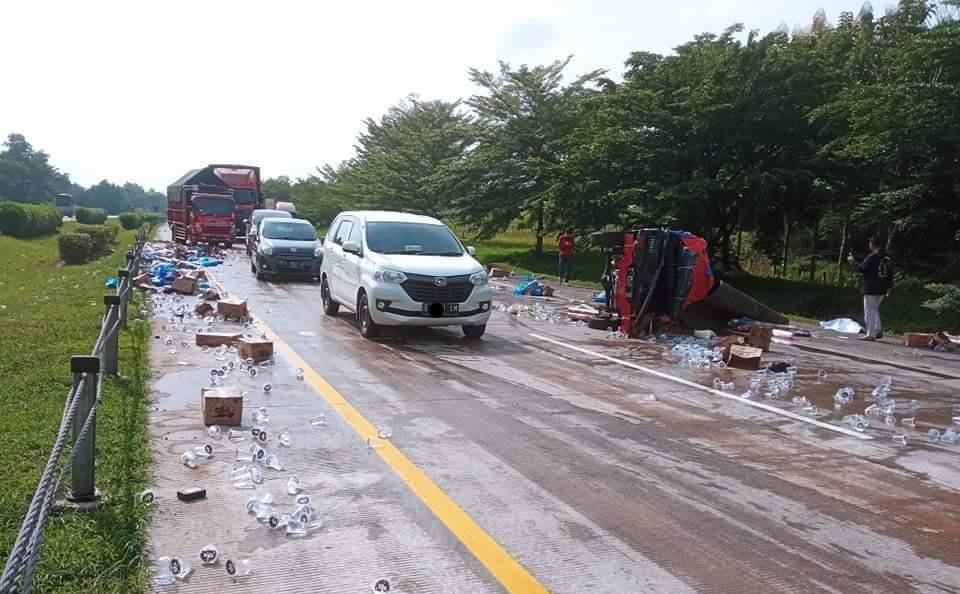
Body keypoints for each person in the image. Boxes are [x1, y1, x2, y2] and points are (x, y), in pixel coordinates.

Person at [848, 236, 894, 341]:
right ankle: (877, 329)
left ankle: (870, 334)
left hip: (871, 287)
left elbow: (862, 268)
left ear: (872, 244)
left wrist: (852, 262)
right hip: (883, 288)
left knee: (869, 311)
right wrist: (890, 286)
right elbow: (890, 273)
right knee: (874, 309)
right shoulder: (887, 257)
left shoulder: (873, 257)